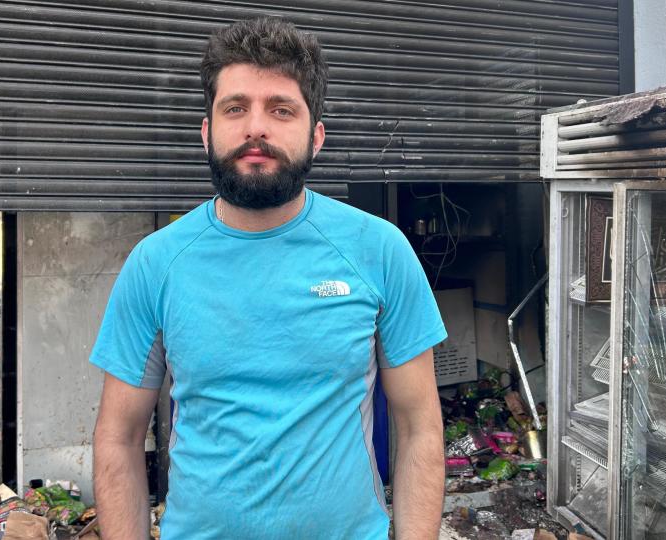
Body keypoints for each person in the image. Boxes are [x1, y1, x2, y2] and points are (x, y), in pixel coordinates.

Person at [90, 17, 446, 540]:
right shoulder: (156, 263)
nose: (256, 127)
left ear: (316, 136)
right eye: (236, 108)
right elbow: (117, 439)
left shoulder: (380, 251)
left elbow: (420, 430)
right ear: (207, 131)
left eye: (281, 109)